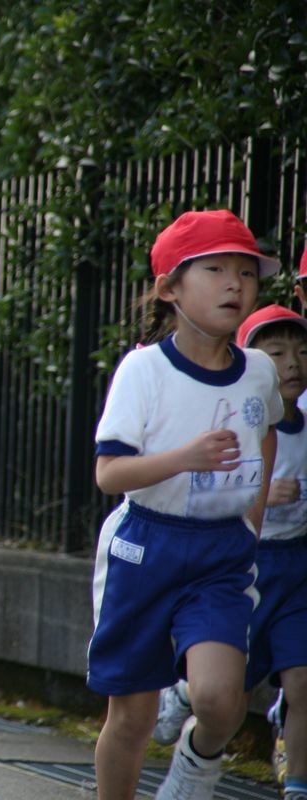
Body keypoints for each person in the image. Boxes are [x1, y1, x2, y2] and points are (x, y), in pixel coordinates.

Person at [88, 209, 283, 800]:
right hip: (144, 546)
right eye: (216, 269)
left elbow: (268, 431)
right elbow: (109, 472)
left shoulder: (259, 371)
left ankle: (194, 771)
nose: (235, 284)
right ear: (170, 288)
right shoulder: (143, 370)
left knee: (222, 701)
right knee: (132, 717)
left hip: (221, 553)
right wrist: (184, 457)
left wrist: (252, 520)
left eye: (246, 272)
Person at [150, 304, 307, 800]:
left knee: (302, 681)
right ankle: (181, 695)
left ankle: (298, 784)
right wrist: (261, 492)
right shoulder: (236, 421)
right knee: (226, 696)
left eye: (303, 352)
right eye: (276, 353)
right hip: (244, 563)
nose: (292, 363)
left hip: (298, 568)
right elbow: (199, 488)